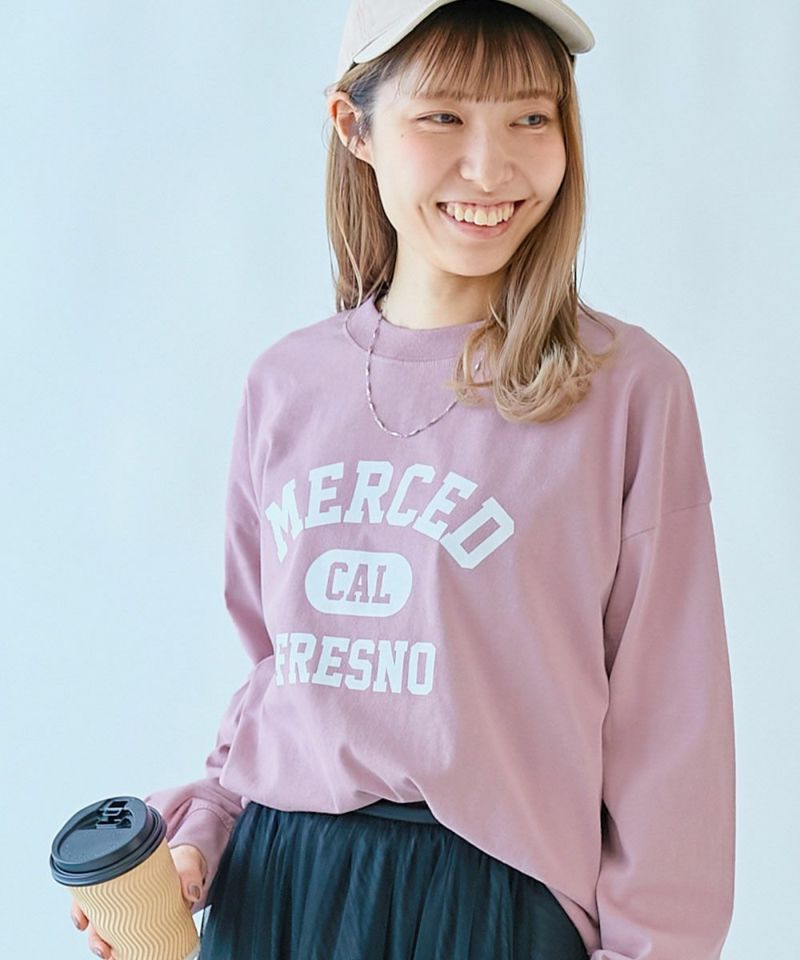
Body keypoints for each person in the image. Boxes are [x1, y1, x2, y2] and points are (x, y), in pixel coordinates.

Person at [71, 1, 736, 958]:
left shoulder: (626, 391)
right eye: (443, 117)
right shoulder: (288, 384)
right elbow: (277, 680)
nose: (491, 167)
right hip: (277, 892)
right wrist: (201, 833)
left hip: (492, 907)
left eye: (530, 116)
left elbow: (672, 730)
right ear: (355, 127)